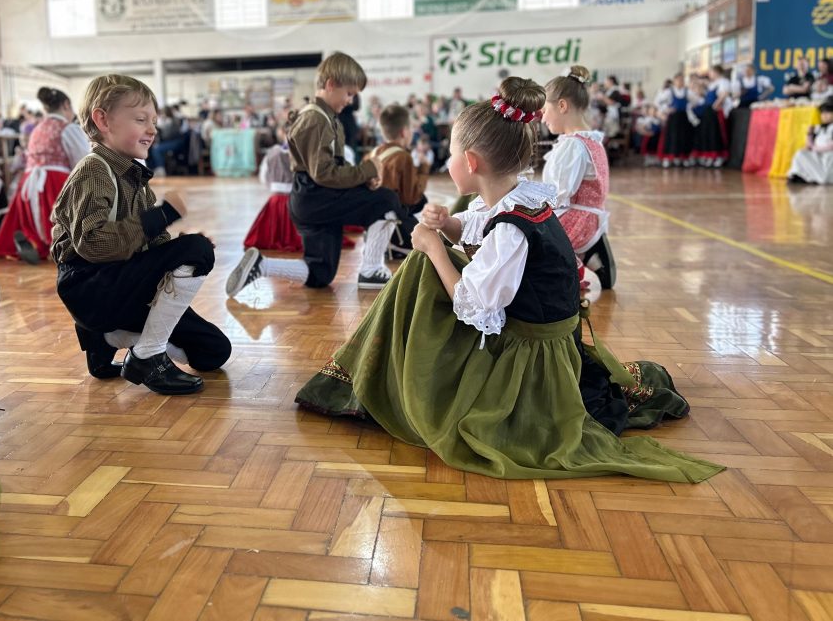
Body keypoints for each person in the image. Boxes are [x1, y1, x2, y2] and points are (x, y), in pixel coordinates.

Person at [294, 77, 722, 483]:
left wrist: (433, 248)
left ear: (471, 162)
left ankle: (373, 378)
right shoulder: (516, 200)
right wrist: (446, 226)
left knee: (422, 268)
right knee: (426, 265)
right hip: (537, 333)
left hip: (531, 360)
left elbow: (475, 304)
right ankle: (369, 371)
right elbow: (477, 232)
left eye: (451, 153)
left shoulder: (512, 226)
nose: (447, 161)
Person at [51, 74, 230, 390]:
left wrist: (178, 248)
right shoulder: (93, 171)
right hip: (90, 288)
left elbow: (151, 242)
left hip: (120, 283)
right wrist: (163, 218)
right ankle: (147, 355)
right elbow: (93, 245)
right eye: (141, 119)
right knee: (197, 250)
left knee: (214, 352)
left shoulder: (134, 176)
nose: (152, 129)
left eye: (154, 122)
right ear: (103, 120)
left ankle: (105, 340)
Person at [227, 52, 404, 296]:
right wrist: (369, 169)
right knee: (387, 200)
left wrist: (365, 177)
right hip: (316, 197)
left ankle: (261, 265)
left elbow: (332, 167)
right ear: (330, 84)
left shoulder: (326, 117)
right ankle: (371, 270)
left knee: (320, 274)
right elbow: (324, 174)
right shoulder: (315, 119)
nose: (350, 101)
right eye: (349, 93)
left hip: (315, 199)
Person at [0, 87, 89, 263]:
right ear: (66, 105)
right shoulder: (68, 128)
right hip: (54, 180)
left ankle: (35, 242)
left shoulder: (37, 129)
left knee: (36, 218)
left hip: (30, 181)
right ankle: (62, 245)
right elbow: (83, 161)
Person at [541, 66, 616, 291]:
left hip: (576, 220)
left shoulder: (574, 145)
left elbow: (559, 194)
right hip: (588, 216)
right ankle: (587, 256)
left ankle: (578, 264)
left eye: (545, 110)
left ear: (562, 106)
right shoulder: (590, 140)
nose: (542, 118)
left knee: (528, 240)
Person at [368, 103, 429, 254]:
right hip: (394, 225)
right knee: (422, 201)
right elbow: (412, 198)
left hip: (371, 223)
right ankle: (394, 240)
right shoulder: (402, 157)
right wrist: (423, 169)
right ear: (404, 132)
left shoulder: (373, 153)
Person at [243, 124, 303, 252]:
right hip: (295, 199)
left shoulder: (272, 153)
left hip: (275, 198)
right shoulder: (303, 154)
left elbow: (263, 177)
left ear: (282, 133)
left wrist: (274, 186)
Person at [691, 65, 730, 167]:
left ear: (716, 72)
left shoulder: (723, 82)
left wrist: (716, 105)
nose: (709, 74)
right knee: (707, 133)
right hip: (708, 111)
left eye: (711, 72)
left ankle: (719, 156)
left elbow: (723, 94)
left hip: (715, 111)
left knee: (716, 133)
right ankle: (710, 155)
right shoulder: (712, 84)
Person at [788, 100, 833, 185]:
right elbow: (809, 145)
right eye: (822, 113)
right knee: (800, 153)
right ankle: (798, 175)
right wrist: (809, 134)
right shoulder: (819, 128)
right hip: (818, 154)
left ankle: (821, 178)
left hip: (829, 155)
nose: (824, 116)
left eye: (828, 113)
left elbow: (831, 146)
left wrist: (815, 148)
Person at [656, 73, 695, 168]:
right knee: (672, 137)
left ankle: (683, 158)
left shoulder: (687, 91)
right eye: (678, 80)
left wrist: (689, 107)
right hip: (673, 118)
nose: (680, 82)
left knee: (683, 137)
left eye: (682, 80)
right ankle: (668, 158)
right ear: (674, 81)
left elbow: (696, 101)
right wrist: (666, 109)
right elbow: (657, 101)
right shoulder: (669, 92)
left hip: (683, 118)